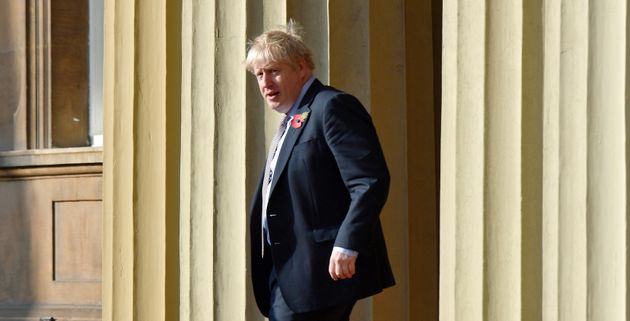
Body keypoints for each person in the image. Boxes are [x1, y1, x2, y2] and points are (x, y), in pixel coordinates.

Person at [246, 20, 395, 321]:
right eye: (259, 74)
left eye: (274, 70)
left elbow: (369, 180)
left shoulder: (331, 106)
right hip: (290, 270)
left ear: (302, 68)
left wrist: (347, 243)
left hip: (322, 268)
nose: (265, 83)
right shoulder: (293, 120)